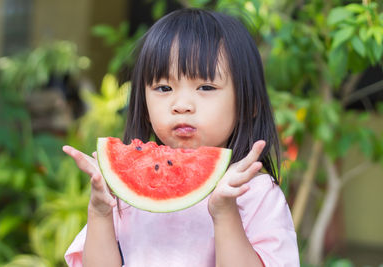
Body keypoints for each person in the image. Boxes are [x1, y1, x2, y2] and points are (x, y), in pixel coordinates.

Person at [63, 8, 299, 267]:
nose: (182, 105)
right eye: (164, 88)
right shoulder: (127, 191)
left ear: (249, 102)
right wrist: (100, 211)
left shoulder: (257, 194)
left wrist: (225, 212)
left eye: (206, 87)